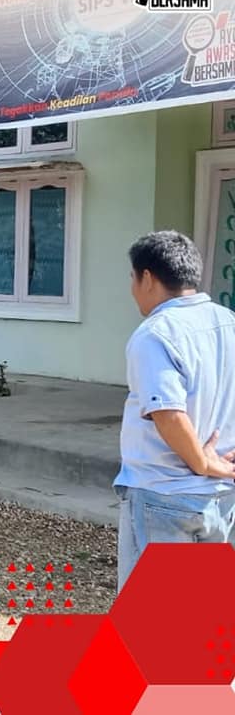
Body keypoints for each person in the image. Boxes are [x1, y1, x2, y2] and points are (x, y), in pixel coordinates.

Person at [114, 231, 235, 591]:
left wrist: (202, 463)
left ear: (147, 278)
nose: (132, 289)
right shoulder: (228, 322)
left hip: (165, 495)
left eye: (132, 278)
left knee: (158, 617)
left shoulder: (155, 334)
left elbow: (167, 413)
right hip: (222, 497)